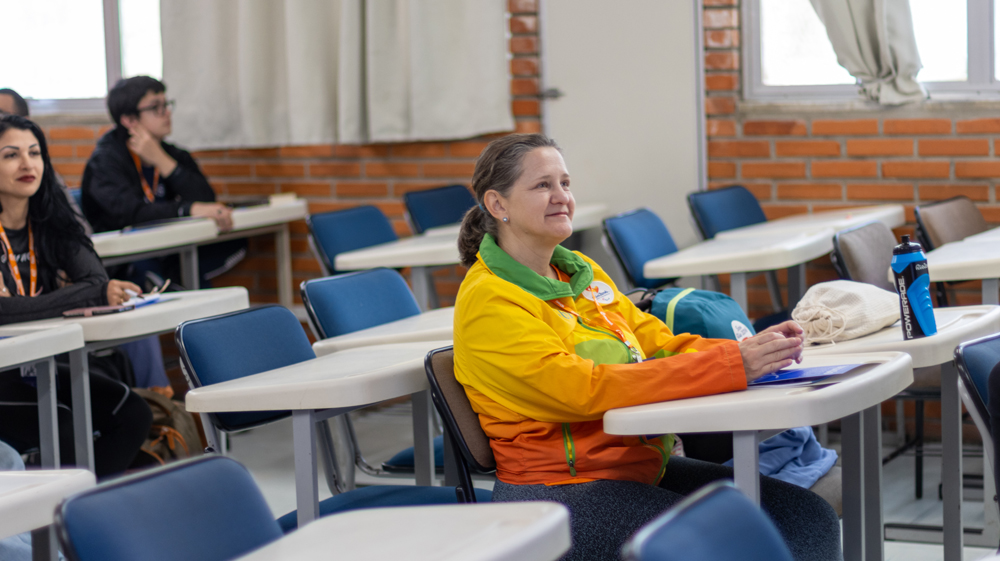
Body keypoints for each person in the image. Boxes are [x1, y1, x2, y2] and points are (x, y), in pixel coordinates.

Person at [453, 133, 842, 561]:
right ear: (498, 204)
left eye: (565, 183)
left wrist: (754, 352)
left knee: (807, 518)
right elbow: (581, 389)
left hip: (636, 466)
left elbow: (658, 343)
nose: (561, 196)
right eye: (542, 185)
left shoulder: (579, 273)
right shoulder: (489, 301)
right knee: (730, 547)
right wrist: (732, 365)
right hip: (557, 490)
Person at [0, 114, 152, 476]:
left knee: (132, 414)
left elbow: (96, 280)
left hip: (37, 363)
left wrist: (90, 292)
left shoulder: (51, 220)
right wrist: (85, 295)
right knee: (61, 423)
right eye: (11, 155)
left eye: (35, 153)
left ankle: (83, 503)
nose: (27, 164)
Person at [81, 75, 244, 286]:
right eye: (155, 107)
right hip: (126, 262)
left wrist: (162, 161)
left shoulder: (170, 152)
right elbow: (131, 214)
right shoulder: (105, 161)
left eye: (166, 104)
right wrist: (187, 210)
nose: (166, 112)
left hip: (168, 250)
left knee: (232, 242)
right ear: (129, 120)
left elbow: (206, 198)